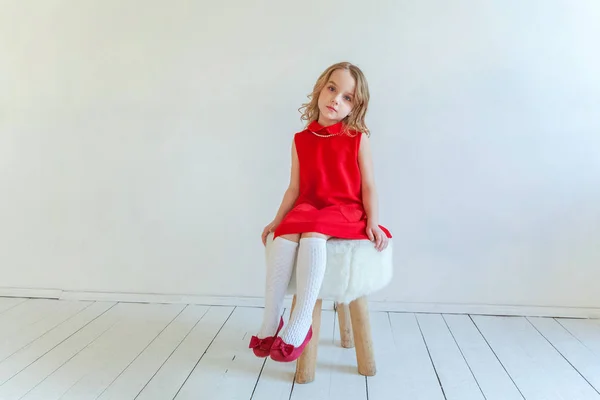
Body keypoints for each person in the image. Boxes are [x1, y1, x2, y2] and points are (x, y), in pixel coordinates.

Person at [249, 61, 392, 362]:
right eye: (332, 89)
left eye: (347, 97)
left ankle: (301, 322)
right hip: (310, 207)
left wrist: (374, 223)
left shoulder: (357, 138)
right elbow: (294, 188)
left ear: (354, 106)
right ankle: (272, 318)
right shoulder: (301, 140)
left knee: (313, 232)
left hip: (344, 209)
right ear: (319, 89)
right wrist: (277, 221)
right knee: (285, 235)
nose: (335, 100)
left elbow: (368, 186)